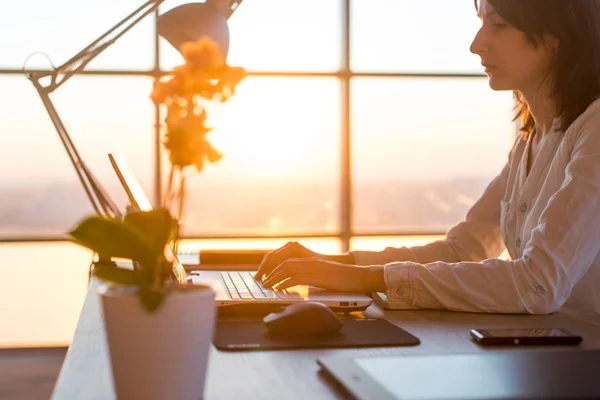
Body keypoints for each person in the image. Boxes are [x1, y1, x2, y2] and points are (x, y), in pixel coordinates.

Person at [255, 0, 600, 318]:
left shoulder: (594, 129)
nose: (476, 44)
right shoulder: (531, 141)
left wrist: (360, 278)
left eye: (498, 25)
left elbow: (537, 284)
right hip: (553, 353)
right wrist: (331, 263)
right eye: (481, 23)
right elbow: (463, 248)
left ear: (555, 35)